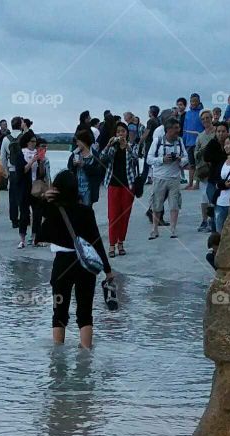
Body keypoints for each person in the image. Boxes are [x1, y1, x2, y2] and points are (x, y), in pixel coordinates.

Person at [37, 169, 114, 350]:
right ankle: (86, 356)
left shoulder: (52, 209)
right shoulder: (86, 211)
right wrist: (108, 270)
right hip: (85, 264)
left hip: (62, 262)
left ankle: (57, 361)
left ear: (57, 188)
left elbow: (32, 200)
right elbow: (96, 242)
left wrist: (43, 197)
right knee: (85, 312)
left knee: (59, 312)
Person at [100, 121, 139, 257]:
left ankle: (121, 242)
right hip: (113, 185)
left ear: (127, 133)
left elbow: (135, 159)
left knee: (124, 216)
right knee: (113, 216)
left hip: (128, 185)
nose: (120, 134)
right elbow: (102, 158)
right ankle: (112, 245)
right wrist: (109, 144)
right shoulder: (112, 147)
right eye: (118, 132)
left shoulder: (132, 146)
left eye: (123, 131)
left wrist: (127, 147)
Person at [147, 119, 186, 239]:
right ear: (168, 130)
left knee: (174, 204)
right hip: (160, 177)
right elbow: (149, 159)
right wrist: (162, 159)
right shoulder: (157, 141)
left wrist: (180, 160)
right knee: (157, 204)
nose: (178, 131)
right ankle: (155, 229)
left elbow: (186, 157)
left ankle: (173, 229)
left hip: (174, 178)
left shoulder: (179, 141)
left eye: (178, 128)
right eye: (175, 128)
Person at [201, 121, 230, 235]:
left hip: (227, 182)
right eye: (218, 131)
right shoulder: (213, 143)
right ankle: (215, 234)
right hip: (213, 182)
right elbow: (207, 157)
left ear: (227, 132)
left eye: (223, 131)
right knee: (214, 209)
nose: (221, 134)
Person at [67, 127, 103, 208]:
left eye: (78, 141)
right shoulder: (75, 154)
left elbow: (98, 173)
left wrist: (84, 165)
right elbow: (69, 169)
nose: (77, 144)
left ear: (84, 141)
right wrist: (73, 165)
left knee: (87, 212)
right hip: (76, 189)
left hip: (88, 190)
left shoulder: (95, 155)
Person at [14, 130, 37, 248]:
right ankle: (22, 239)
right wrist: (33, 161)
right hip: (24, 187)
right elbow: (22, 170)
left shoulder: (38, 153)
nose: (34, 144)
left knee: (37, 212)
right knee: (24, 213)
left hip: (36, 186)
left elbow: (41, 172)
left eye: (35, 141)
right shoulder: (21, 154)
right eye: (32, 141)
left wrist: (41, 161)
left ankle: (34, 237)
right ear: (27, 142)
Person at [194, 112, 217, 232]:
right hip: (204, 171)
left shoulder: (217, 132)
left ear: (211, 118)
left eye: (207, 118)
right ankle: (204, 220)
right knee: (204, 197)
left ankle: (213, 221)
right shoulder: (200, 136)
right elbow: (195, 152)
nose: (206, 120)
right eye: (203, 119)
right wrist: (201, 152)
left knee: (213, 197)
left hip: (215, 170)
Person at [214, 135, 230, 233]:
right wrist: (224, 184)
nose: (226, 146)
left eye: (228, 144)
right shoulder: (222, 162)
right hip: (221, 202)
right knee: (219, 232)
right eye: (225, 144)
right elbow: (217, 180)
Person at [30, 139, 52, 245]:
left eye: (45, 147)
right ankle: (35, 236)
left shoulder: (45, 160)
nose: (44, 149)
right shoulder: (32, 157)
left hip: (41, 189)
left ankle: (37, 236)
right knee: (36, 213)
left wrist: (50, 188)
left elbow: (47, 176)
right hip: (32, 188)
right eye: (42, 146)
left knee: (41, 213)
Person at [182, 93, 205, 190]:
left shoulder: (202, 113)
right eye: (192, 101)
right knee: (191, 164)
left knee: (199, 164)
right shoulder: (187, 113)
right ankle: (190, 183)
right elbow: (185, 128)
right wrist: (183, 141)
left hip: (199, 142)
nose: (193, 103)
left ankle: (197, 183)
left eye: (195, 101)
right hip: (189, 142)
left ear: (199, 101)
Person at [4, 117, 22, 226]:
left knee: (13, 196)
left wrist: (5, 170)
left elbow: (3, 156)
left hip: (12, 170)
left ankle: (14, 220)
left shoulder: (6, 139)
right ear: (20, 125)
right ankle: (25, 217)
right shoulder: (24, 137)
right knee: (24, 195)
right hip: (23, 170)